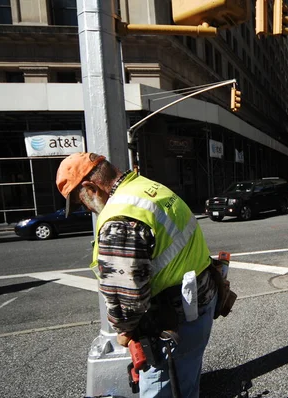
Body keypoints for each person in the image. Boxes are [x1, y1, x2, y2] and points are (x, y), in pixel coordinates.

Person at [55, 152, 218, 398]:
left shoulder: (120, 218)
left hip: (171, 324)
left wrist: (125, 330)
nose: (87, 209)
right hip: (200, 305)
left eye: (81, 202)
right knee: (186, 385)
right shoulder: (148, 187)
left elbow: (126, 301)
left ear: (91, 187)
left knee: (163, 389)